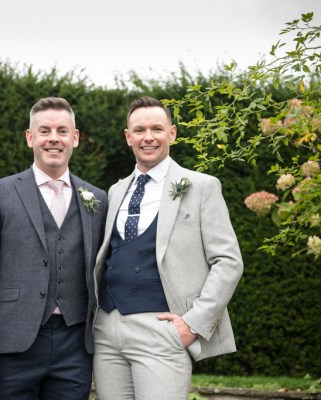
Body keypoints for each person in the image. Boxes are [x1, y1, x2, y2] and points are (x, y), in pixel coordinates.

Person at [93, 96, 243, 399]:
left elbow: (229, 261)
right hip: (106, 331)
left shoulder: (201, 186)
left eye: (157, 129)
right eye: (139, 130)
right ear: (128, 137)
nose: (148, 137)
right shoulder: (115, 190)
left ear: (172, 133)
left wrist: (193, 324)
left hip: (164, 331)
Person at [0, 97, 107, 400]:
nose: (53, 138)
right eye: (44, 131)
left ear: (75, 138)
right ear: (30, 138)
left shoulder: (97, 198)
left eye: (61, 131)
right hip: (12, 343)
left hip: (75, 344)